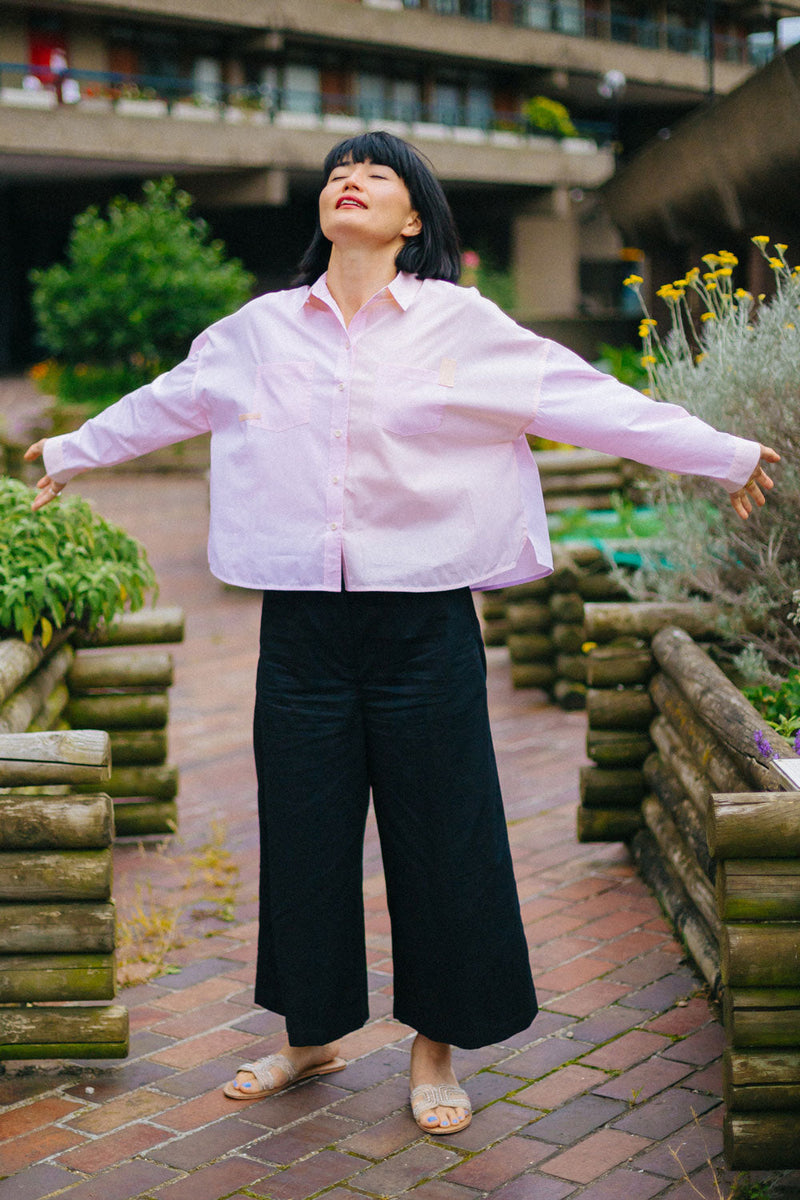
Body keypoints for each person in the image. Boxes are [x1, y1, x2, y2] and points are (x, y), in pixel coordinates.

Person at [25, 131, 778, 1136]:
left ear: (412, 216)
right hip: (301, 625)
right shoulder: (261, 330)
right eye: (340, 169)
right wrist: (74, 449)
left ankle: (435, 1048)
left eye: (376, 172)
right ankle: (310, 1031)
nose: (351, 179)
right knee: (302, 834)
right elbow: (173, 399)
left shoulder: (459, 325)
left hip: (423, 622)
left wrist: (720, 453)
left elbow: (578, 399)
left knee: (442, 839)